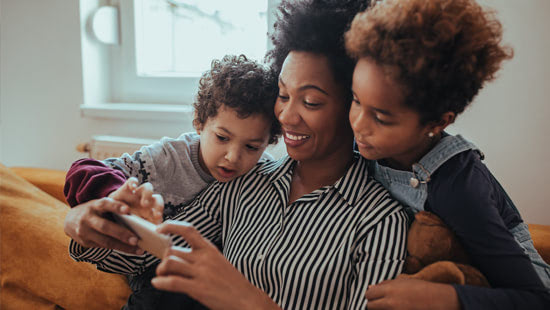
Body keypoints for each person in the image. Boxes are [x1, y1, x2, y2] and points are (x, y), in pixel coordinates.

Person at [64, 0, 410, 309]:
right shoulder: (243, 183)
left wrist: (246, 301)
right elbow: (144, 256)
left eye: (311, 101)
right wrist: (87, 222)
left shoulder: (380, 221)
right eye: (283, 95)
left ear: (355, 104)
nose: (286, 116)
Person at [344, 0, 550, 309]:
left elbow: (537, 298)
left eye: (382, 118)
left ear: (438, 122)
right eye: (356, 100)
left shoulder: (460, 187)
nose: (358, 125)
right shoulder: (369, 149)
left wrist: (445, 297)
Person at [64, 54, 280, 309]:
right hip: (153, 270)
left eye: (252, 146)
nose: (233, 157)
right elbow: (85, 169)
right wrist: (116, 193)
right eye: (222, 138)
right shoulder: (164, 159)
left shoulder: (264, 174)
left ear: (268, 142)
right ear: (199, 123)